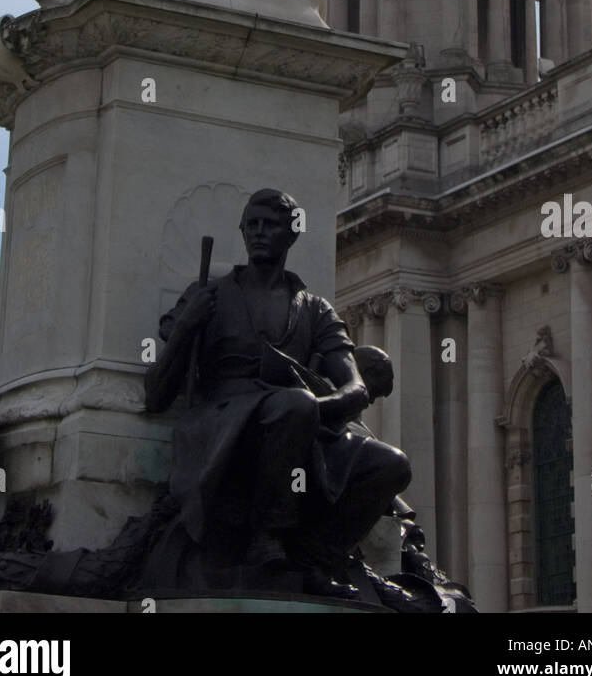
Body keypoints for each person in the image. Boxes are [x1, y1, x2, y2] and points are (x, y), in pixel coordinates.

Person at [144, 189, 411, 591]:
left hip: (300, 421)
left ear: (292, 233)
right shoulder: (210, 296)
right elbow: (155, 394)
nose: (258, 233)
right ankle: (267, 539)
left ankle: (318, 556)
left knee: (392, 463)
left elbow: (352, 381)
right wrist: (185, 327)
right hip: (222, 421)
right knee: (295, 405)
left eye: (269, 225)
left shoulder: (315, 309)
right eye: (251, 225)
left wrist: (342, 399)